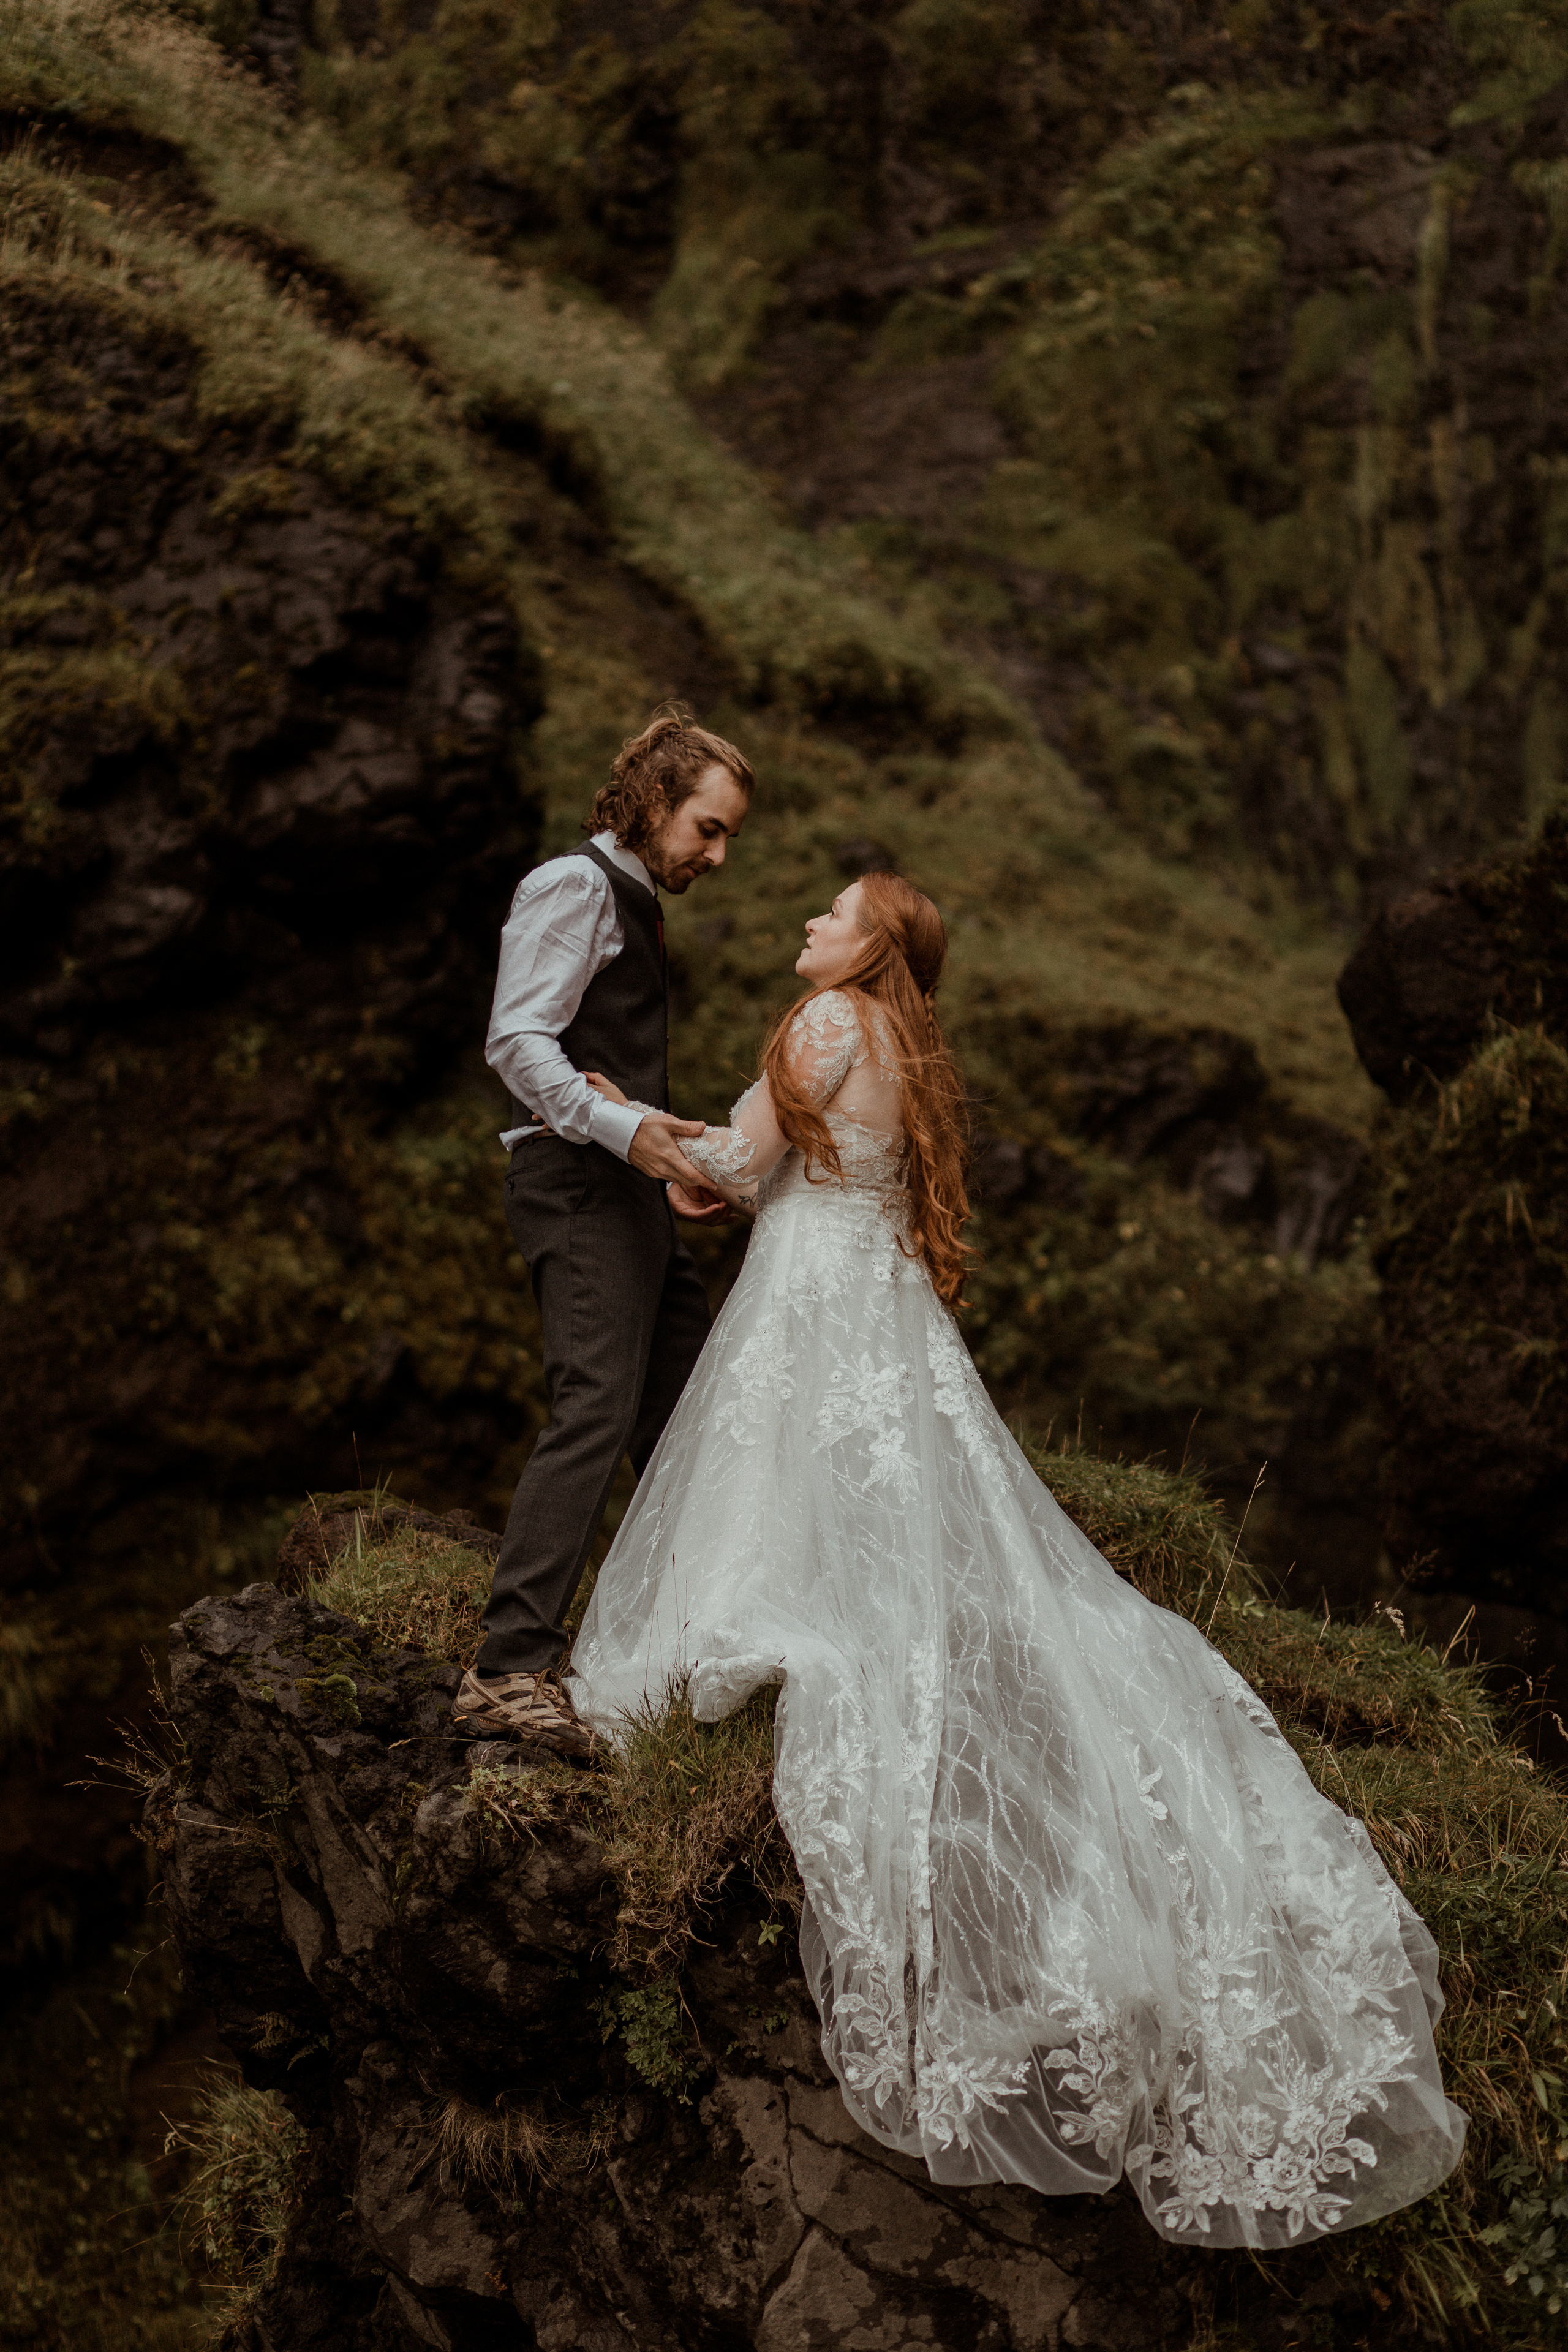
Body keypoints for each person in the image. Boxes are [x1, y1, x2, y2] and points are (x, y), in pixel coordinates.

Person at [568, 871, 1467, 2249]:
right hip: (881, 1298)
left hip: (810, 1297)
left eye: (832, 912)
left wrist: (628, 1127)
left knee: (789, 1488)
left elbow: (740, 1168)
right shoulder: (909, 1046)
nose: (810, 923)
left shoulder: (825, 1020)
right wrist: (720, 1167)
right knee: (904, 1491)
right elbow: (805, 1169)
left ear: (872, 944)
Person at [454, 710, 752, 1754]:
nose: (718, 855)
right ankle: (508, 1668)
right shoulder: (572, 886)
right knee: (597, 1408)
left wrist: (663, 1159)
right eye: (709, 828)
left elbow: (597, 1058)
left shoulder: (632, 896)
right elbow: (517, 1040)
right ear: (655, 801)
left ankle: (701, 1650)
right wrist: (628, 1136)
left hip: (623, 1191)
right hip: (576, 1187)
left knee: (681, 1421)